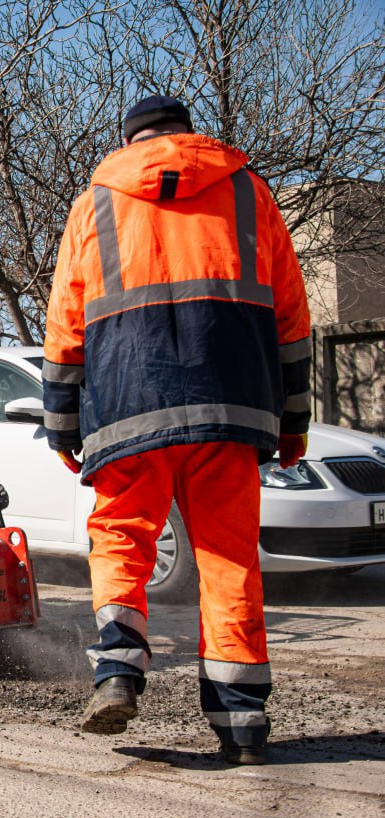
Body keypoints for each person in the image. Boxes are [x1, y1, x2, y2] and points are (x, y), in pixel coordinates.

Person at [42, 95, 311, 765]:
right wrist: (294, 419)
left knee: (122, 541)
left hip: (130, 403)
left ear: (131, 141)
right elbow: (292, 316)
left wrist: (61, 421)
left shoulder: (95, 205)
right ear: (188, 137)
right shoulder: (249, 193)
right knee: (228, 560)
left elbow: (66, 327)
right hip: (232, 408)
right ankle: (242, 723)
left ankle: (117, 671)